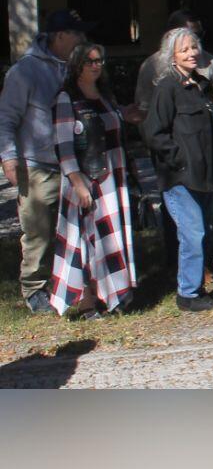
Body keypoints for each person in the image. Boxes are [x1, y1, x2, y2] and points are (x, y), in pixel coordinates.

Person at [0, 10, 92, 313]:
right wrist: (9, 158)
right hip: (37, 164)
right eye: (76, 35)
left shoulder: (77, 69)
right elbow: (6, 118)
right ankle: (35, 289)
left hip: (75, 165)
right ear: (60, 36)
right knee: (38, 230)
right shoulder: (25, 71)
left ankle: (74, 283)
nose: (82, 40)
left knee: (76, 230)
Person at [48, 43, 138, 317]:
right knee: (84, 238)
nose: (96, 65)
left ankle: (112, 295)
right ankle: (86, 301)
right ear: (77, 65)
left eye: (99, 60)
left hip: (112, 174)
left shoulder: (105, 95)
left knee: (110, 237)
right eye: (90, 61)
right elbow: (63, 145)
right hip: (84, 177)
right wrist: (76, 181)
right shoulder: (66, 98)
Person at [142, 27, 213, 311]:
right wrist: (178, 160)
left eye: (194, 47)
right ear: (172, 56)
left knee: (204, 231)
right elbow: (154, 133)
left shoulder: (201, 85)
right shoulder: (167, 87)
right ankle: (187, 293)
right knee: (192, 233)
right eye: (184, 50)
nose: (192, 53)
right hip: (181, 177)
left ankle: (197, 287)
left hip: (205, 175)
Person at [133, 9, 213, 120]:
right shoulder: (152, 66)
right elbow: (144, 109)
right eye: (192, 34)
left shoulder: (211, 63)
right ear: (172, 35)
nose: (197, 40)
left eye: (200, 34)